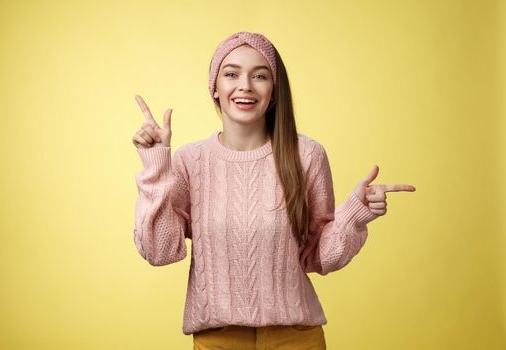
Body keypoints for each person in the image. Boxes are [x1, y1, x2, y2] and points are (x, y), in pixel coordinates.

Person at [131, 31, 416, 350]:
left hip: (295, 338)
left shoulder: (306, 155)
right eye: (231, 74)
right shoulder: (189, 161)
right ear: (215, 88)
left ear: (275, 91)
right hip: (217, 340)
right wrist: (156, 166)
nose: (245, 86)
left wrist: (353, 215)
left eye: (260, 76)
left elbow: (319, 257)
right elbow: (159, 251)